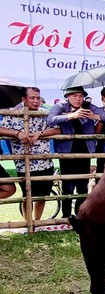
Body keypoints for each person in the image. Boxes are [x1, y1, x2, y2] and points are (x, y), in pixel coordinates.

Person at [47, 86, 105, 218]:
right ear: (68, 97)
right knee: (68, 186)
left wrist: (94, 116)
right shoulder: (61, 106)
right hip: (66, 152)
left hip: (85, 150)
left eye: (80, 96)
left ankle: (79, 215)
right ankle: (65, 216)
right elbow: (50, 119)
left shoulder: (88, 106)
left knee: (82, 186)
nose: (78, 98)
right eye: (74, 95)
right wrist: (72, 116)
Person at [0, 87, 60, 219]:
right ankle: (28, 223)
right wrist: (17, 133)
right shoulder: (13, 115)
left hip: (45, 162)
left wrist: (40, 134)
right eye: (32, 98)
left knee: (43, 195)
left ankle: (37, 222)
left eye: (38, 98)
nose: (36, 101)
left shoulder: (45, 113)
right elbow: (1, 129)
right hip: (23, 163)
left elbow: (57, 130)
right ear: (24, 99)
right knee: (27, 196)